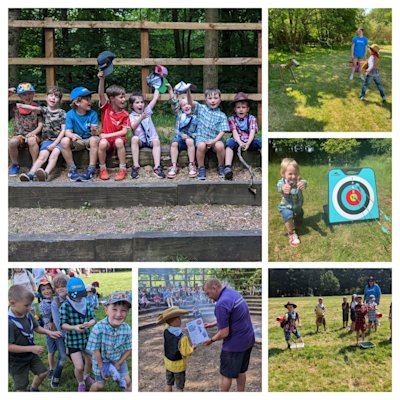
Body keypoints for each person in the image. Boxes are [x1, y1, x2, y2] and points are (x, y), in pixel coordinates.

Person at [203, 278, 255, 392]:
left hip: (234, 345)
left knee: (226, 375)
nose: (208, 297)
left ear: (214, 288)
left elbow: (224, 333)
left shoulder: (221, 304)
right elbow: (232, 316)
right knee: (241, 371)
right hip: (248, 339)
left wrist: (211, 340)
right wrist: (213, 323)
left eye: (208, 293)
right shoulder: (233, 293)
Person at [8, 284, 62, 392]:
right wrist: (31, 348)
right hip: (16, 360)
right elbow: (8, 346)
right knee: (21, 387)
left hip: (31, 354)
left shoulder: (26, 314)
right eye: (26, 305)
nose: (30, 308)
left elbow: (36, 327)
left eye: (30, 305)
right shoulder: (8, 323)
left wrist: (48, 332)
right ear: (12, 303)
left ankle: (33, 389)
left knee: (43, 373)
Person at [18, 86, 66, 182]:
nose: (53, 98)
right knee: (42, 156)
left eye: (56, 96)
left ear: (59, 100)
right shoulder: (44, 110)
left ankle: (46, 173)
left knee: (53, 155)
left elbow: (63, 131)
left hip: (59, 141)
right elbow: (32, 108)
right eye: (51, 95)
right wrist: (22, 106)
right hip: (47, 140)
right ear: (46, 97)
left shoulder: (62, 113)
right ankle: (31, 174)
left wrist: (54, 144)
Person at [87, 292, 132, 391]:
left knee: (128, 382)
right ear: (106, 310)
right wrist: (101, 366)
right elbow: (95, 350)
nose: (119, 314)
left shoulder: (127, 329)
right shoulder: (98, 328)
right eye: (114, 309)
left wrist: (119, 363)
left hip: (118, 359)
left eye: (123, 310)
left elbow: (129, 349)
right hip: (101, 360)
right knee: (100, 385)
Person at [60, 277, 96, 391]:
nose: (79, 299)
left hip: (87, 339)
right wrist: (74, 327)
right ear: (69, 294)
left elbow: (93, 318)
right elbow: (62, 324)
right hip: (73, 341)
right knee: (79, 366)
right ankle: (81, 383)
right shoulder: (65, 306)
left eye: (81, 295)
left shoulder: (87, 302)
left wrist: (89, 324)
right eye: (77, 296)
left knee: (89, 361)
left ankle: (86, 376)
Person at [61, 86, 99, 181]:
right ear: (77, 102)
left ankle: (91, 168)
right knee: (64, 141)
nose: (90, 101)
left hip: (89, 139)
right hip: (77, 140)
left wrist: (94, 130)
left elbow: (95, 134)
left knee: (95, 140)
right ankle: (72, 168)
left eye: (90, 99)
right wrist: (72, 135)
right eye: (87, 99)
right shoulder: (70, 114)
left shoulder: (93, 114)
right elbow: (67, 132)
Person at [97, 71, 130, 181]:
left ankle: (122, 169)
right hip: (106, 140)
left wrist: (107, 135)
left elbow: (124, 132)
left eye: (124, 97)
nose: (124, 100)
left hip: (117, 139)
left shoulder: (125, 114)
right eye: (121, 97)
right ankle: (102, 169)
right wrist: (102, 79)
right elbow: (101, 94)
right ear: (111, 98)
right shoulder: (106, 107)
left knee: (119, 142)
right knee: (102, 144)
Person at [191, 88, 229, 180]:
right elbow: (190, 103)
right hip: (202, 137)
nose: (213, 101)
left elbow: (223, 130)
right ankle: (201, 167)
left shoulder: (222, 115)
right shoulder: (201, 109)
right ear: (205, 99)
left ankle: (221, 166)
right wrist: (188, 91)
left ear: (220, 100)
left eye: (215, 98)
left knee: (220, 146)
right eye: (210, 98)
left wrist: (214, 141)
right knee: (200, 146)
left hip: (215, 139)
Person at [223, 92, 261, 180]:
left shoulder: (252, 118)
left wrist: (248, 143)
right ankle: (227, 167)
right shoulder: (232, 119)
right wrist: (240, 143)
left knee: (262, 142)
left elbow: (252, 131)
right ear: (235, 109)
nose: (241, 110)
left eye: (243, 107)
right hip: (237, 141)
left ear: (247, 109)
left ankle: (264, 164)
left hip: (250, 141)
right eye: (238, 107)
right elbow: (234, 131)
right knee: (229, 143)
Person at [156, 306, 195, 392]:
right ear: (175, 321)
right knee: (179, 388)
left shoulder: (166, 330)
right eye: (179, 318)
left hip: (168, 363)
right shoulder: (183, 337)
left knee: (168, 383)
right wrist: (192, 348)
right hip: (179, 365)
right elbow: (186, 352)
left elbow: (167, 323)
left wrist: (168, 316)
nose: (180, 320)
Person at [129, 89, 165, 178]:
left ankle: (157, 167)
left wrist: (157, 87)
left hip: (150, 139)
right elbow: (133, 127)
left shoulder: (147, 111)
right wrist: (141, 117)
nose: (140, 104)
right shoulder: (131, 116)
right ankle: (136, 166)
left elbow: (155, 98)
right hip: (140, 140)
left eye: (141, 102)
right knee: (134, 139)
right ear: (132, 105)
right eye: (137, 102)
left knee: (156, 141)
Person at [9, 82, 43, 176]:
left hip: (35, 135)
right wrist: (7, 94)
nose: (27, 96)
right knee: (12, 142)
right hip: (19, 136)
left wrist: (33, 133)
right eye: (24, 94)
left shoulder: (37, 108)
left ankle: (35, 165)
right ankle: (15, 164)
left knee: (32, 140)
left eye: (29, 94)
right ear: (20, 96)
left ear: (33, 94)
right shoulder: (15, 108)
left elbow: (41, 125)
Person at [166, 83, 198, 178]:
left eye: (188, 104)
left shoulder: (195, 114)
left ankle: (192, 164)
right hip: (180, 137)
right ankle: (174, 165)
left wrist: (191, 136)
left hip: (192, 138)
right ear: (181, 107)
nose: (186, 106)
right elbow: (174, 102)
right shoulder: (180, 114)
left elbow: (198, 130)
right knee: (174, 144)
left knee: (189, 141)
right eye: (184, 105)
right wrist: (170, 90)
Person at [277, 158, 307, 247]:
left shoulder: (298, 181)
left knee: (299, 220)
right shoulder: (281, 183)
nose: (293, 176)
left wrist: (303, 184)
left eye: (295, 173)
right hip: (286, 206)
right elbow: (279, 187)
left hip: (297, 207)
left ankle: (298, 218)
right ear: (283, 173)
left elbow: (304, 182)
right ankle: (291, 234)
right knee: (288, 215)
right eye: (290, 174)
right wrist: (283, 188)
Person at [50, 273, 69, 388]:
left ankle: (83, 375)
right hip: (60, 334)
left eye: (63, 285)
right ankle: (55, 377)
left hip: (73, 332)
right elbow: (58, 323)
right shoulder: (55, 303)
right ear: (55, 290)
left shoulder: (72, 299)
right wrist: (67, 339)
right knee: (62, 357)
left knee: (81, 354)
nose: (61, 288)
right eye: (57, 287)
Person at [37, 278, 58, 379]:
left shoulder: (57, 298)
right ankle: (51, 369)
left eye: (48, 288)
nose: (47, 291)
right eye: (43, 289)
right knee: (51, 351)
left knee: (66, 348)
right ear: (40, 293)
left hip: (61, 328)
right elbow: (48, 323)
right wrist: (54, 333)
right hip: (51, 331)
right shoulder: (42, 305)